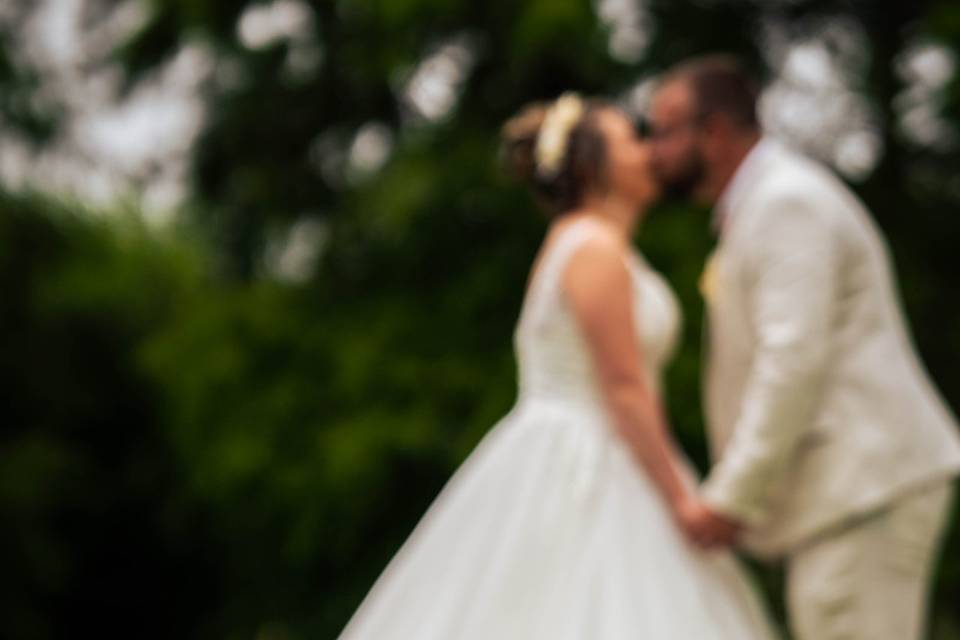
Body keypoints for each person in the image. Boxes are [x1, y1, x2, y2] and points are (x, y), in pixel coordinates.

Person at [337, 94, 776, 639]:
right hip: (588, 459)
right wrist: (683, 501)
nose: (646, 154)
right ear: (596, 167)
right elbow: (623, 388)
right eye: (629, 141)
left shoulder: (590, 245)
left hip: (596, 450)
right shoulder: (594, 249)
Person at [647, 54, 960, 640]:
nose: (651, 152)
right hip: (848, 497)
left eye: (664, 131)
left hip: (865, 492)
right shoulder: (765, 203)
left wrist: (731, 497)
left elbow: (792, 361)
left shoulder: (785, 203)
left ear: (713, 132)